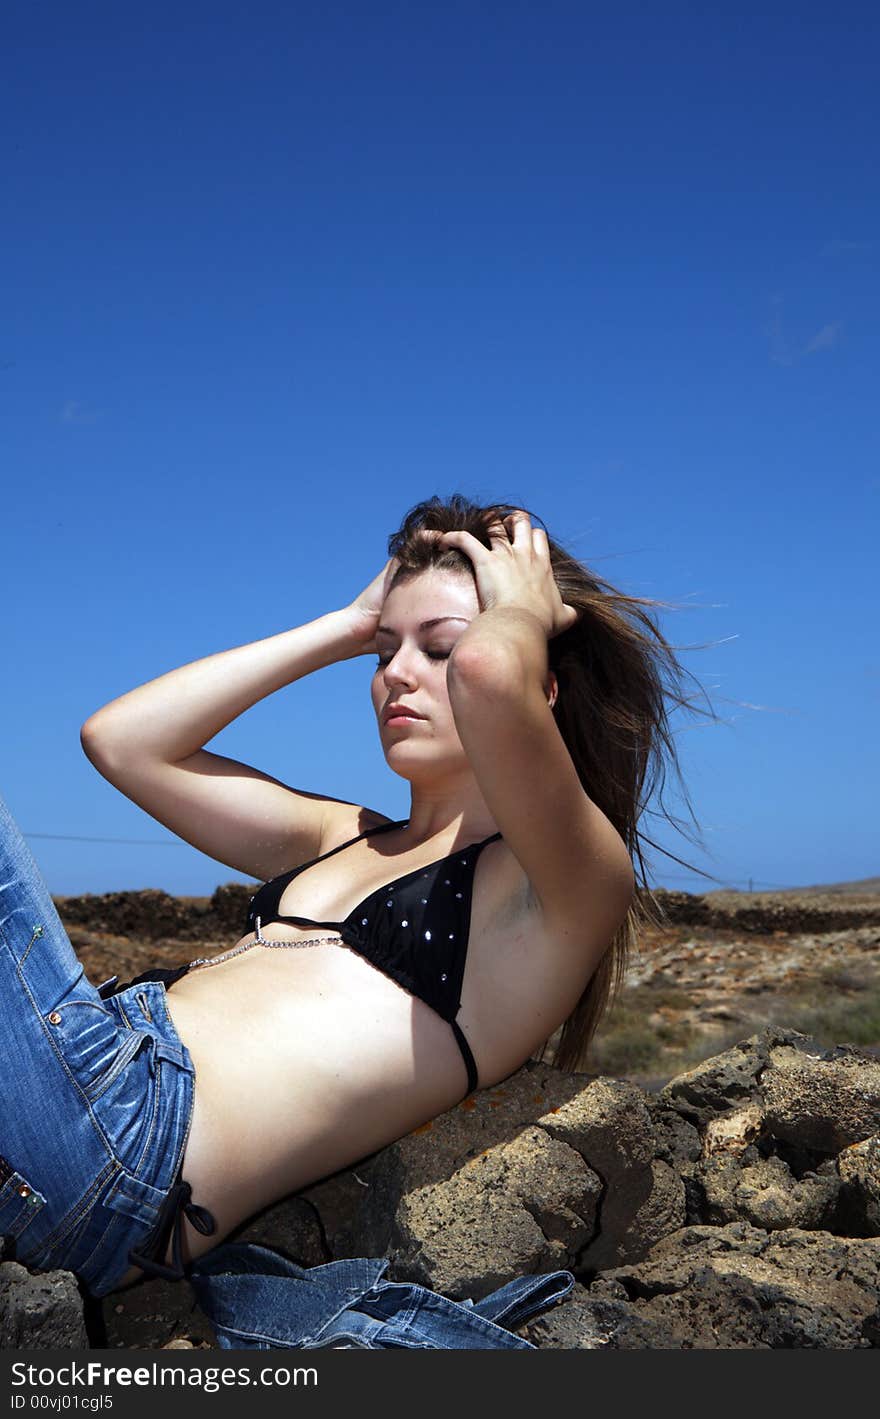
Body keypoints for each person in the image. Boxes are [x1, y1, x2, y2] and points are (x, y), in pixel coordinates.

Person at [0, 495, 709, 1302]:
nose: (396, 674)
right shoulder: (340, 835)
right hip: (80, 1084)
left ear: (542, 685)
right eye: (383, 653)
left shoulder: (564, 885)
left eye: (440, 647)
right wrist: (349, 621)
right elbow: (123, 741)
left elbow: (491, 673)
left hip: (126, 1145)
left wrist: (517, 611)